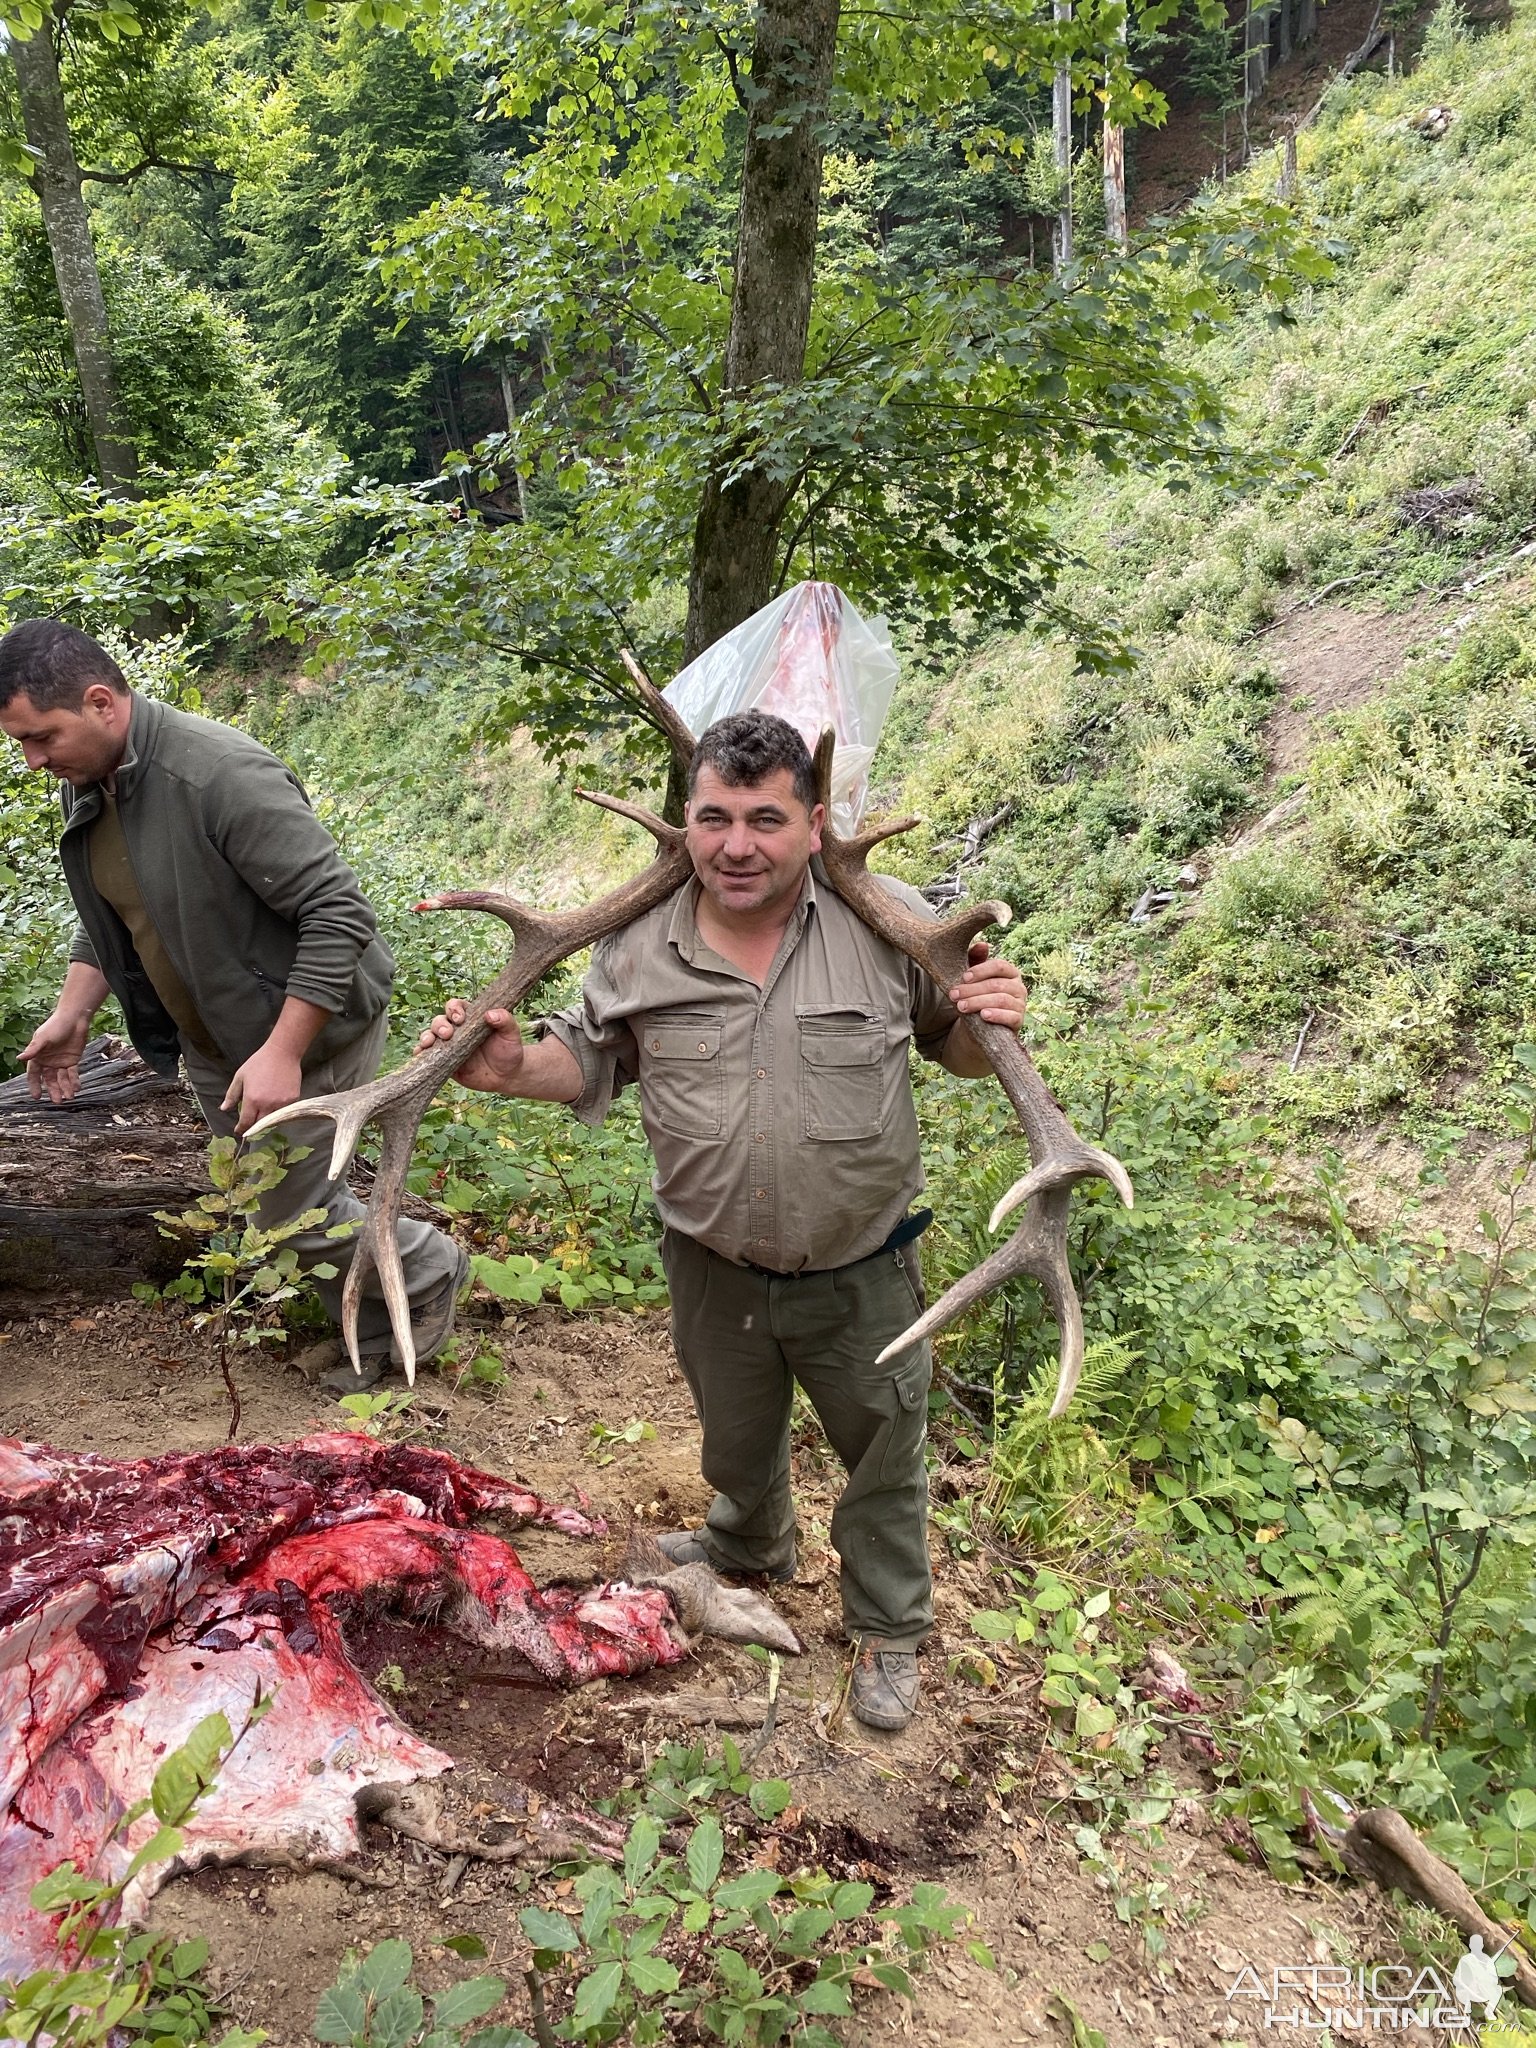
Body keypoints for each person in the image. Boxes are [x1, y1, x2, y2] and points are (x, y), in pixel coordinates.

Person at [420, 709, 1026, 1732]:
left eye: (765, 818)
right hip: (712, 1260)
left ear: (814, 820)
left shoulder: (886, 920)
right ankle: (749, 1543)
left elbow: (951, 1047)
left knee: (883, 1449)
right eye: (714, 817)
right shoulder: (638, 943)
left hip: (860, 1261)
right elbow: (595, 1052)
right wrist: (516, 1067)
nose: (736, 844)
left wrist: (987, 1019)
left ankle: (886, 1624)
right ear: (685, 820)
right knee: (737, 1436)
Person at [0, 617, 467, 1387]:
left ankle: (430, 1270)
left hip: (309, 1026)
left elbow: (339, 913)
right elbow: (116, 916)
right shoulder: (91, 783)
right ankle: (377, 1319)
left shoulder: (217, 775)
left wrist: (283, 1051)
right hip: (218, 1037)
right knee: (261, 1205)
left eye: (41, 737)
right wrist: (73, 1012)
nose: (33, 760)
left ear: (100, 702)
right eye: (20, 742)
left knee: (289, 1211)